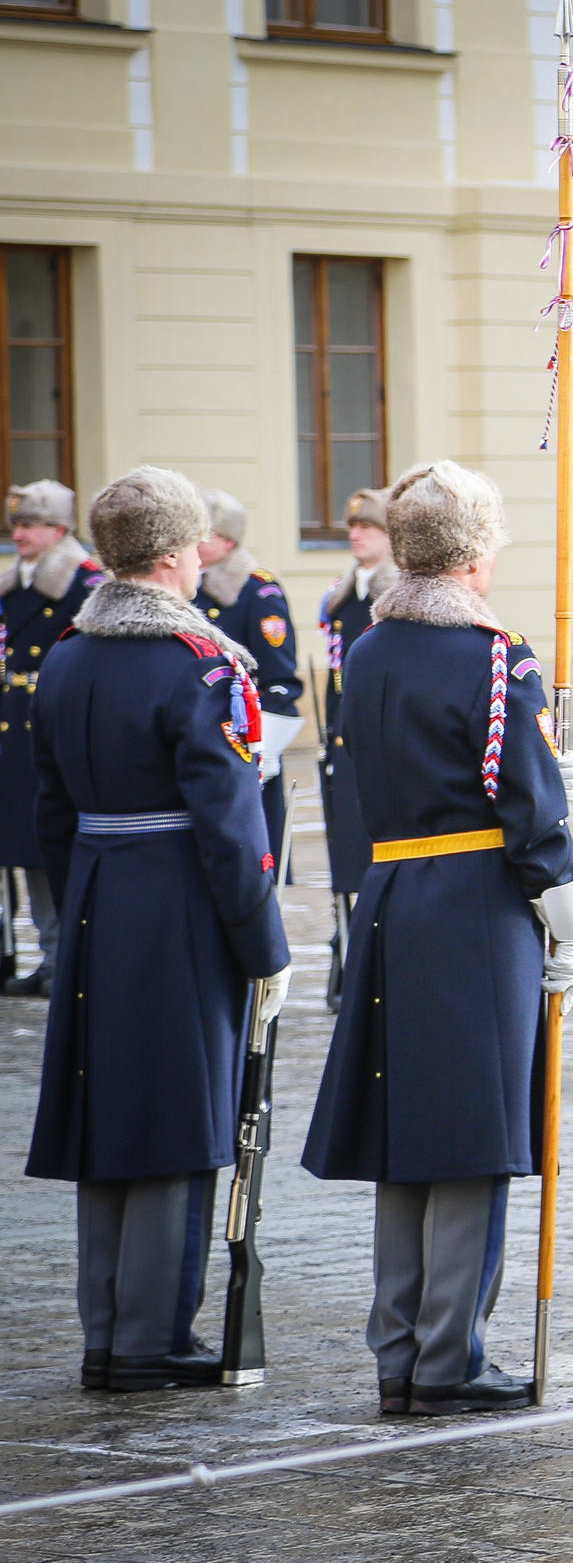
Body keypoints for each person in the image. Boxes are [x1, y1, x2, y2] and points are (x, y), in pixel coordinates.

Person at [300, 461, 573, 1418]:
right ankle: (449, 1354)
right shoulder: (495, 651)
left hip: (393, 889)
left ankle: (401, 1344)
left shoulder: (371, 644)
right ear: (474, 551)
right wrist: (566, 900)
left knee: (404, 1133)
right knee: (469, 1133)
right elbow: (523, 806)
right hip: (474, 900)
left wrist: (546, 771)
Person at [24, 467, 290, 1392]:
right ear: (179, 554)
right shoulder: (202, 665)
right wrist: (264, 943)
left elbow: (53, 812)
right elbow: (230, 826)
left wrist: (83, 898)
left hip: (97, 894)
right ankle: (149, 1337)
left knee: (108, 1111)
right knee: (179, 1114)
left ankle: (108, 1327)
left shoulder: (64, 655)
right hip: (177, 902)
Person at [0, 480, 103, 999]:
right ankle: (49, 955)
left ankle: (69, 958)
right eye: (15, 524)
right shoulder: (14, 584)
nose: (17, 534)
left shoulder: (84, 583)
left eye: (29, 524)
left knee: (54, 844)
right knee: (25, 848)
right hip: (13, 729)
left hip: (55, 726)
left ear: (58, 529)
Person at [193, 489, 305, 864]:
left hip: (243, 735)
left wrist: (266, 747)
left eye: (204, 533)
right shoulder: (186, 588)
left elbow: (278, 676)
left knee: (253, 852)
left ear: (228, 540)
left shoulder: (257, 590)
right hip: (198, 728)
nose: (195, 541)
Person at [316, 487, 396, 977]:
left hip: (377, 743)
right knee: (344, 857)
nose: (357, 534)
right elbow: (335, 675)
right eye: (353, 527)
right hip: (343, 743)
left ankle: (370, 953)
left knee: (371, 852)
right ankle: (343, 955)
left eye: (368, 526)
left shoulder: (392, 595)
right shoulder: (343, 597)